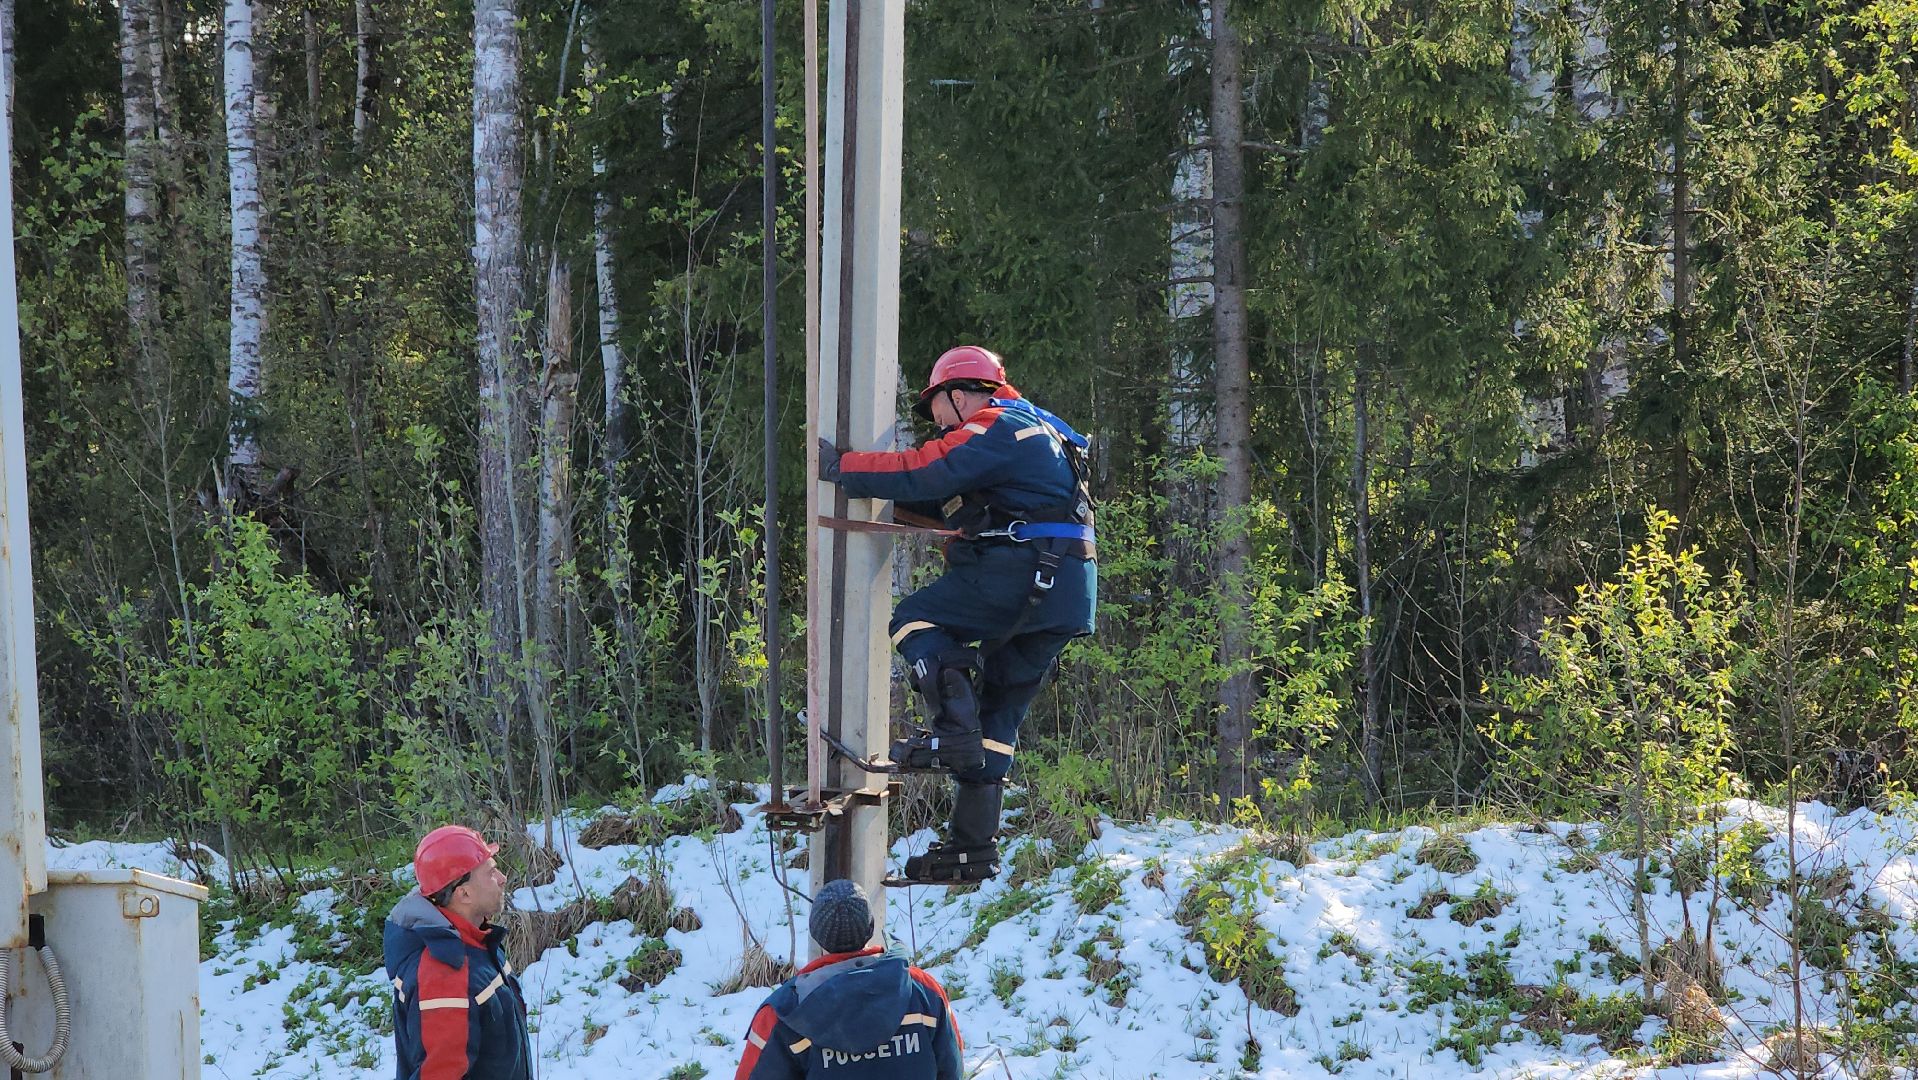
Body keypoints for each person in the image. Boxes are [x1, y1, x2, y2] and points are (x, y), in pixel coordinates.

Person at [818, 345, 1097, 882]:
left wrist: (842, 468)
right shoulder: (1044, 435)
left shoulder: (996, 424)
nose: (938, 426)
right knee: (998, 719)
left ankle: (952, 732)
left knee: (916, 619)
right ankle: (971, 851)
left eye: (939, 412)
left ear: (961, 394)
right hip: (1066, 593)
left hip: (1022, 574)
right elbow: (943, 500)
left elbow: (927, 471)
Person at [734, 880, 962, 1079]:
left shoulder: (783, 1014)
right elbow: (953, 1069)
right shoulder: (925, 993)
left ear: (815, 932)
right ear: (871, 926)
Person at [383, 825, 531, 1080]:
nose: (502, 878)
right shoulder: (445, 973)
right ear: (464, 893)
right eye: (491, 872)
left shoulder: (477, 942)